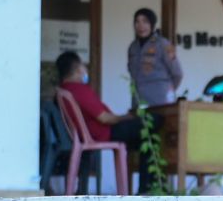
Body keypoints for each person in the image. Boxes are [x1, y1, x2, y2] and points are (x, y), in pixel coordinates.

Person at [55, 50, 158, 193]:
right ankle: (147, 188)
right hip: (105, 132)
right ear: (77, 69)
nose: (85, 70)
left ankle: (145, 188)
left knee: (142, 140)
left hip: (90, 134)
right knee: (154, 121)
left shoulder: (63, 90)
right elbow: (104, 118)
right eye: (83, 66)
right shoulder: (79, 89)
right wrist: (127, 117)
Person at [127, 8, 183, 108]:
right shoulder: (133, 47)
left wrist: (167, 90)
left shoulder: (163, 44)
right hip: (138, 102)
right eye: (137, 22)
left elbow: (177, 73)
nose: (141, 25)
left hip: (160, 101)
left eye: (145, 21)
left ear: (152, 25)